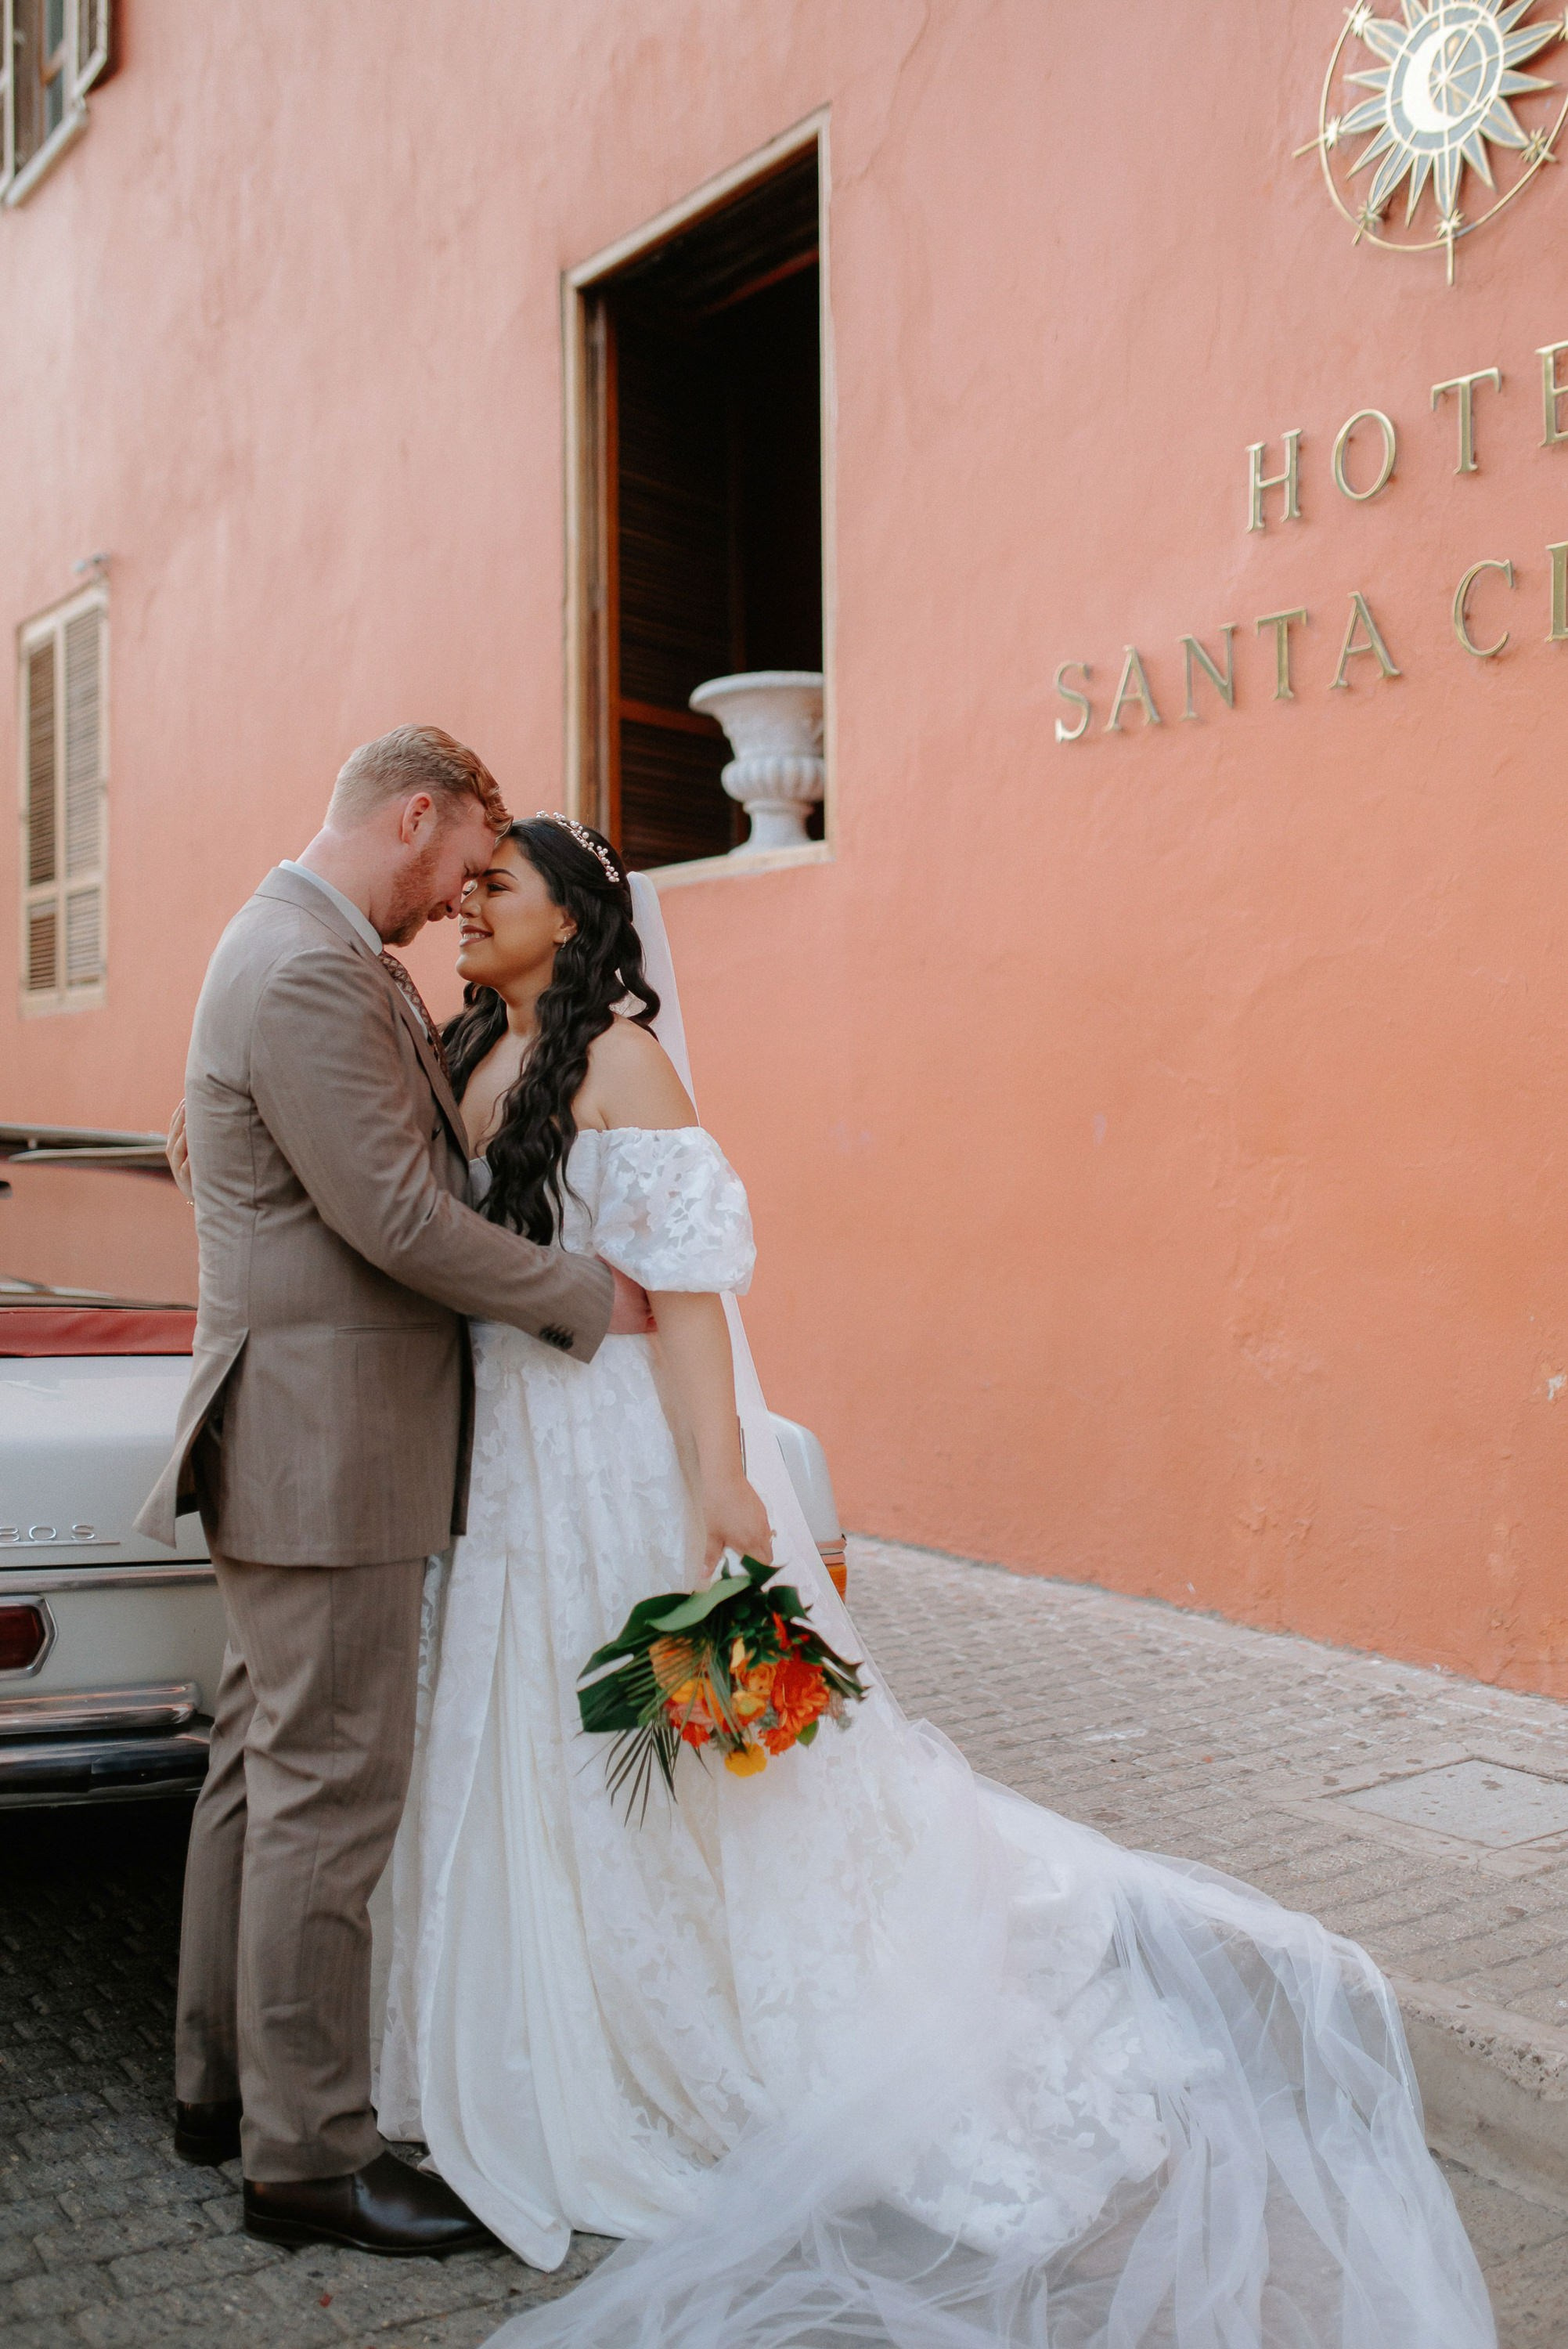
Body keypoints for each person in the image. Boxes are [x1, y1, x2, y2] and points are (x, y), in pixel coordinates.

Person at [375, 814, 1496, 2349]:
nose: (467, 903)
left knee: (681, 1759)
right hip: (511, 1466)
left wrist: (719, 1477)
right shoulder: (474, 1046)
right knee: (532, 1743)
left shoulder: (623, 1060)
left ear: (574, 917)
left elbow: (690, 1299)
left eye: (499, 884)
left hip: (610, 1458)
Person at [140, 728, 650, 2259]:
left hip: (295, 1427)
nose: (456, 898)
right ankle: (310, 2157)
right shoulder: (303, 966)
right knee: (328, 1792)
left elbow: (198, 1149)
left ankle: (220, 2087)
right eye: (460, 860)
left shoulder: (295, 945)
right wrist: (582, 1298)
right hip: (329, 1444)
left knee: (261, 1767)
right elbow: (402, 1224)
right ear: (413, 814)